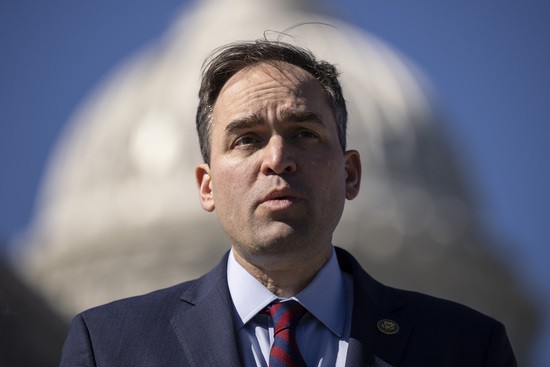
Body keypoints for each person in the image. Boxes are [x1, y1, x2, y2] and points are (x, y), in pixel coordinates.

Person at [60, 39, 516, 366]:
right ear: (207, 187)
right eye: (246, 140)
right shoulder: (108, 347)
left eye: (304, 134)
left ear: (350, 174)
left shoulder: (468, 348)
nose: (277, 159)